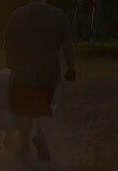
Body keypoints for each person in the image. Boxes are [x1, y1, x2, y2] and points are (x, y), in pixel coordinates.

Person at [4, 0, 76, 161]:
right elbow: (67, 45)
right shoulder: (58, 15)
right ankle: (40, 132)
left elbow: (8, 42)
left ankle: (24, 145)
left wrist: (9, 61)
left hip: (22, 73)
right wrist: (71, 67)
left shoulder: (17, 15)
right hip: (48, 72)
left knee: (24, 110)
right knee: (43, 107)